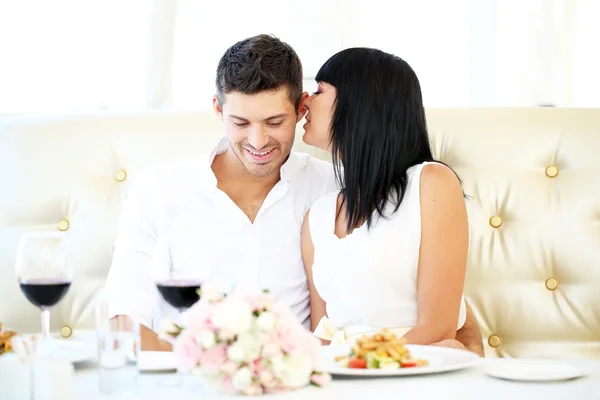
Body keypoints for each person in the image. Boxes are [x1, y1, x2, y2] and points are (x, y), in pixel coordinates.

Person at [104, 34, 484, 355]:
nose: (257, 141)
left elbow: (423, 296)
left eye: (275, 122)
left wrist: (459, 344)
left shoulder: (331, 190)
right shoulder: (160, 190)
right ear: (218, 109)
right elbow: (124, 315)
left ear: (301, 107)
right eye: (240, 122)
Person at [301, 47, 470, 347]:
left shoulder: (431, 183)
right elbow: (321, 334)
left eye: (318, 91)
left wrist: (362, 366)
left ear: (358, 103)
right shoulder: (317, 218)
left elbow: (438, 329)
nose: (304, 101)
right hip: (343, 375)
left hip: (419, 363)